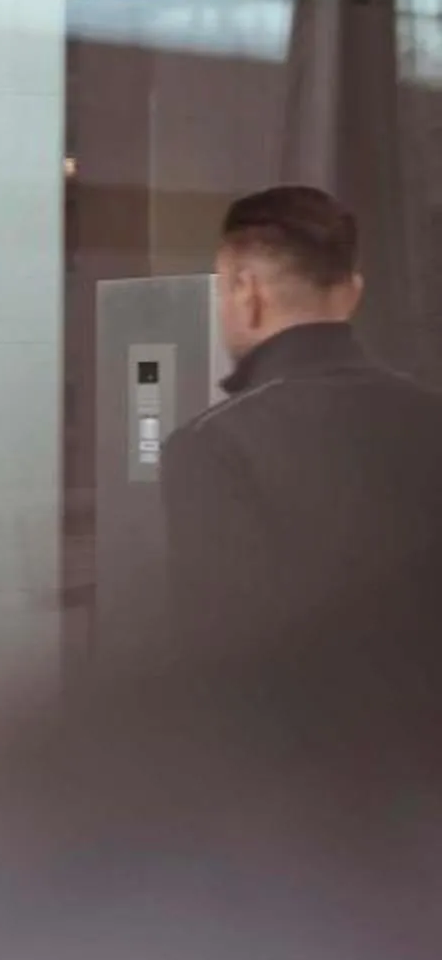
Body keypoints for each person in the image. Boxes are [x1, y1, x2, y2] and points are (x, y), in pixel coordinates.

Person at [164, 185, 442, 658]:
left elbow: (216, 651)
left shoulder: (213, 446)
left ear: (246, 291)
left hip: (290, 727)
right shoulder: (430, 416)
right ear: (353, 293)